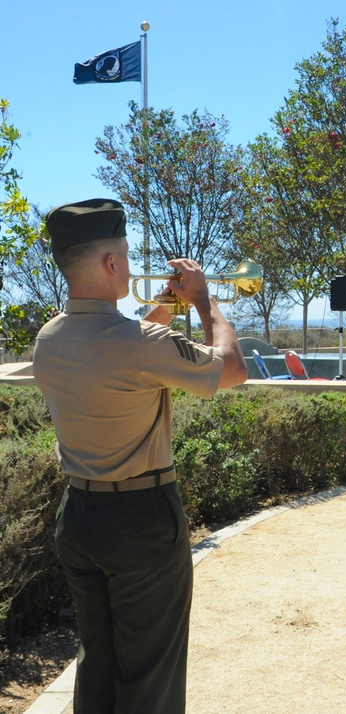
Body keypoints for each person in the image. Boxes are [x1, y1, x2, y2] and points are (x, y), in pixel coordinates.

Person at [33, 198, 247, 713]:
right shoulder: (138, 342)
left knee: (98, 667)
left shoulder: (49, 339)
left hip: (80, 519)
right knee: (151, 678)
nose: (130, 265)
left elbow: (127, 340)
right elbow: (232, 368)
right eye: (126, 256)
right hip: (142, 523)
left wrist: (169, 304)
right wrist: (204, 303)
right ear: (110, 264)